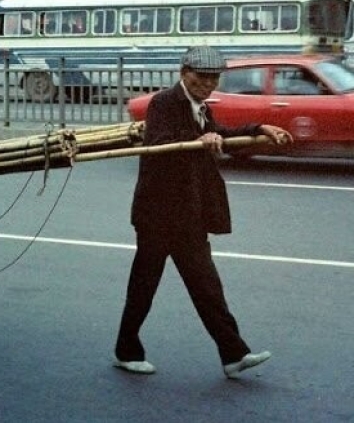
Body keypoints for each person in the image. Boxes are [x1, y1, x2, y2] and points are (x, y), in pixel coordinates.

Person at [113, 46, 293, 379]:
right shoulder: (164, 103)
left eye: (214, 78)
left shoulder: (201, 107)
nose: (208, 84)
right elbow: (161, 144)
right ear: (184, 73)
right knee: (143, 287)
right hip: (158, 214)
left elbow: (220, 134)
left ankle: (233, 354)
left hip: (188, 215)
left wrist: (259, 130)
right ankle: (126, 351)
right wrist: (201, 137)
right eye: (202, 77)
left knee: (207, 287)